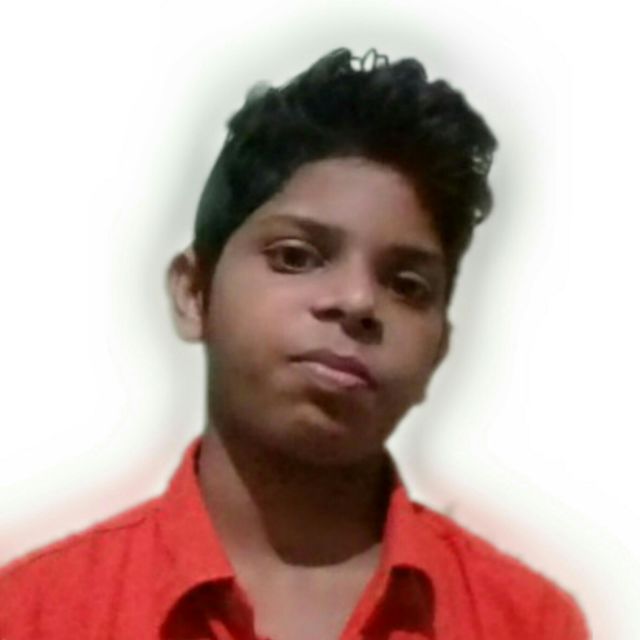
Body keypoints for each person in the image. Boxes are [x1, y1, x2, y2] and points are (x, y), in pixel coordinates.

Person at [0, 47, 589, 639]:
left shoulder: (528, 622)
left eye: (407, 285)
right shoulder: (33, 614)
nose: (357, 301)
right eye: (296, 256)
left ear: (439, 351)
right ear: (194, 293)